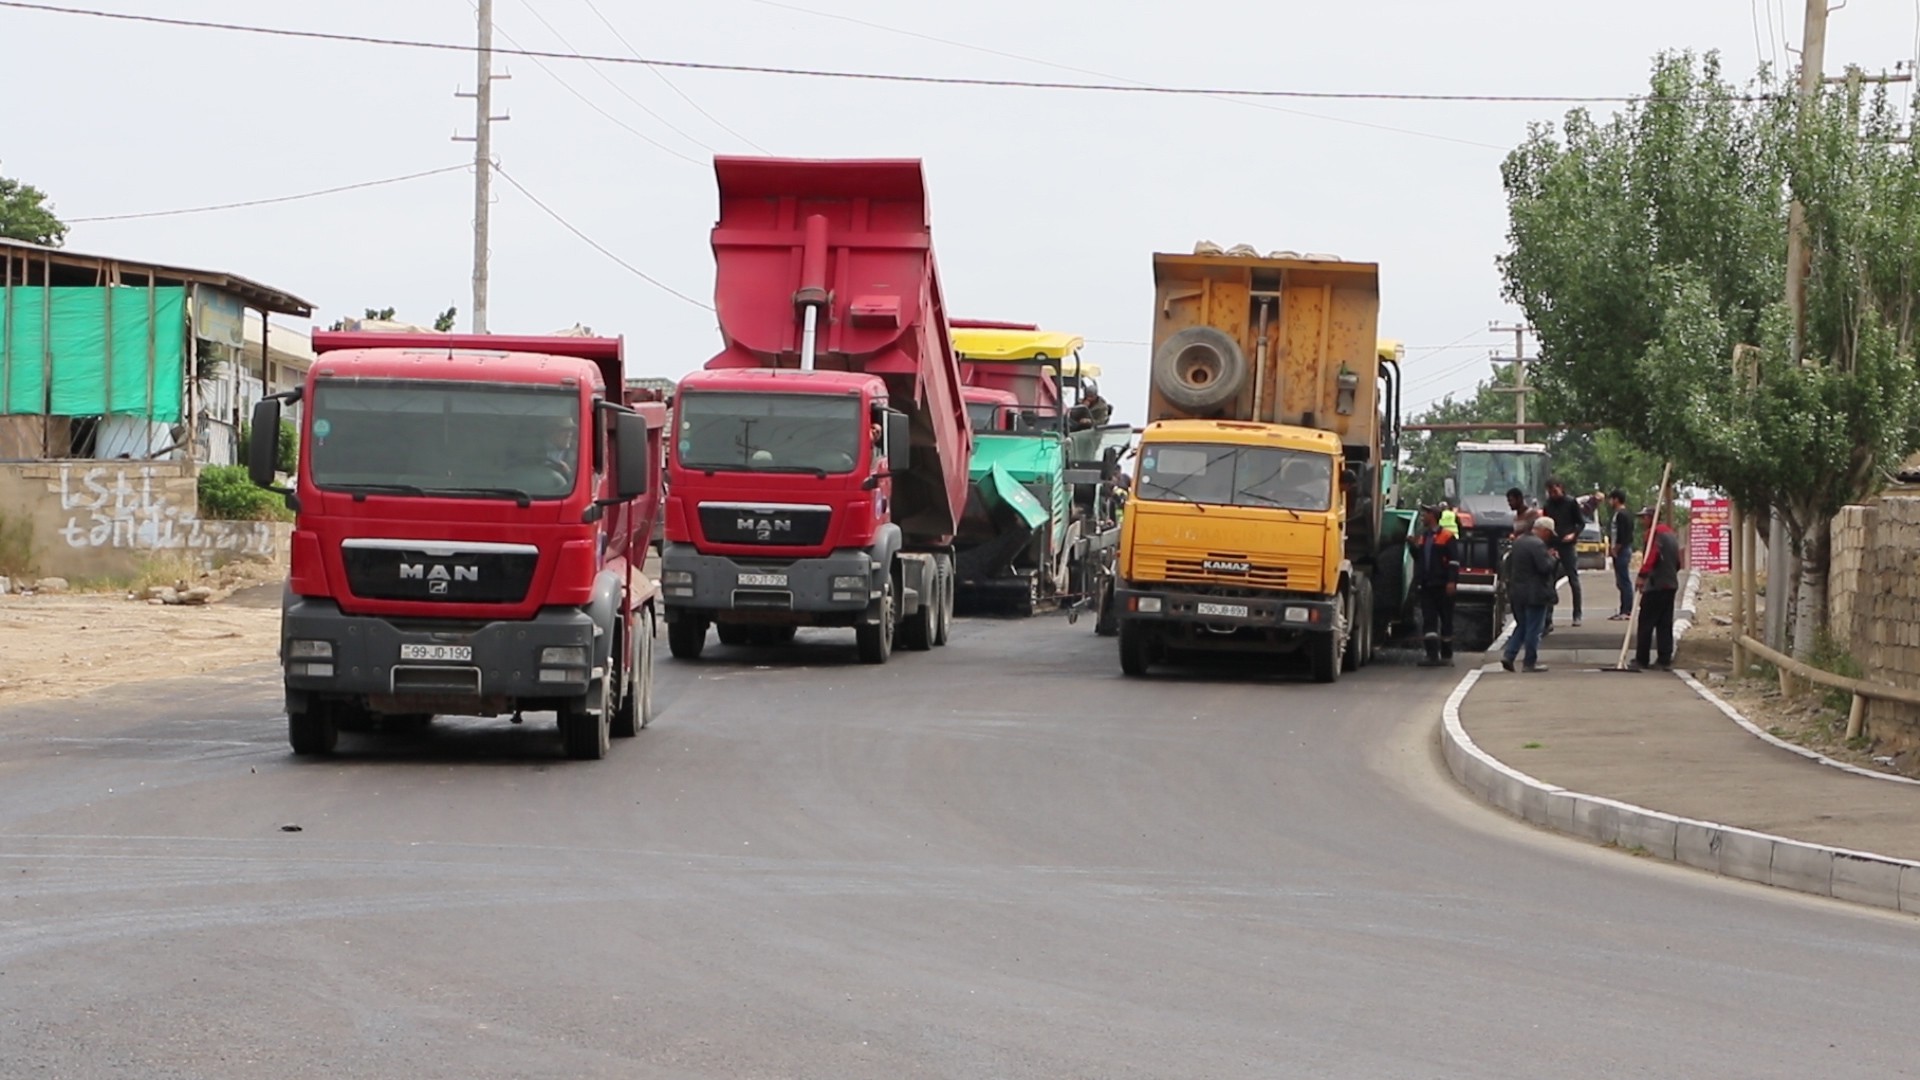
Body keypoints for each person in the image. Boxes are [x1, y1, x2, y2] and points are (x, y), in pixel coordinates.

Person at [1502, 515, 1560, 673]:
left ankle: (1509, 654)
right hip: (1535, 593)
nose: (1549, 537)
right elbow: (1544, 568)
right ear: (1544, 530)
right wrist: (1552, 558)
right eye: (1549, 533)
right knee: (1534, 628)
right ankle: (1530, 662)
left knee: (1522, 625)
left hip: (1517, 591)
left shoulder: (1519, 542)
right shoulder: (1538, 545)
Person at [1634, 504, 1683, 670]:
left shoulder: (1654, 534)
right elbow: (1678, 562)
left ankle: (1642, 659)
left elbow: (1651, 556)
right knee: (1664, 623)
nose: (1642, 521)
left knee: (1646, 622)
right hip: (1670, 584)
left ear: (1651, 518)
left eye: (1644, 517)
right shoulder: (1670, 533)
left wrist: (1642, 576)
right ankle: (1664, 659)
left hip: (1656, 585)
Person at [1410, 504, 1460, 667]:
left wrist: (1451, 581)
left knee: (1446, 620)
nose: (1423, 517)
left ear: (1433, 516)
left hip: (1443, 585)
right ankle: (1431, 655)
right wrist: (1413, 546)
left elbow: (1453, 561)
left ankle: (1446, 655)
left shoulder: (1446, 536)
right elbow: (1420, 559)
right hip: (1427, 585)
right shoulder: (1424, 537)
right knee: (1429, 621)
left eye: (1425, 514)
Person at [1541, 476, 1584, 628]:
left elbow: (1581, 522)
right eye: (1550, 492)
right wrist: (1548, 545)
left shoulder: (1571, 503)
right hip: (1553, 544)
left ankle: (1577, 613)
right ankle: (1548, 618)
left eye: (1554, 491)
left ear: (1560, 488)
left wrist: (1573, 534)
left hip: (1568, 544)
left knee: (1573, 579)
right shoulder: (1548, 505)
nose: (1553, 494)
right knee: (1549, 580)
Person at [1607, 489, 1635, 620]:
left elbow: (1623, 535)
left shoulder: (1621, 515)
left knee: (1624, 581)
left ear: (1616, 499)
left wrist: (1615, 549)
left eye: (1611, 499)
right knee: (1621, 581)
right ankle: (1623, 608)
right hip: (1622, 550)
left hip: (1622, 551)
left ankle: (1627, 610)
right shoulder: (1625, 514)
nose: (1609, 502)